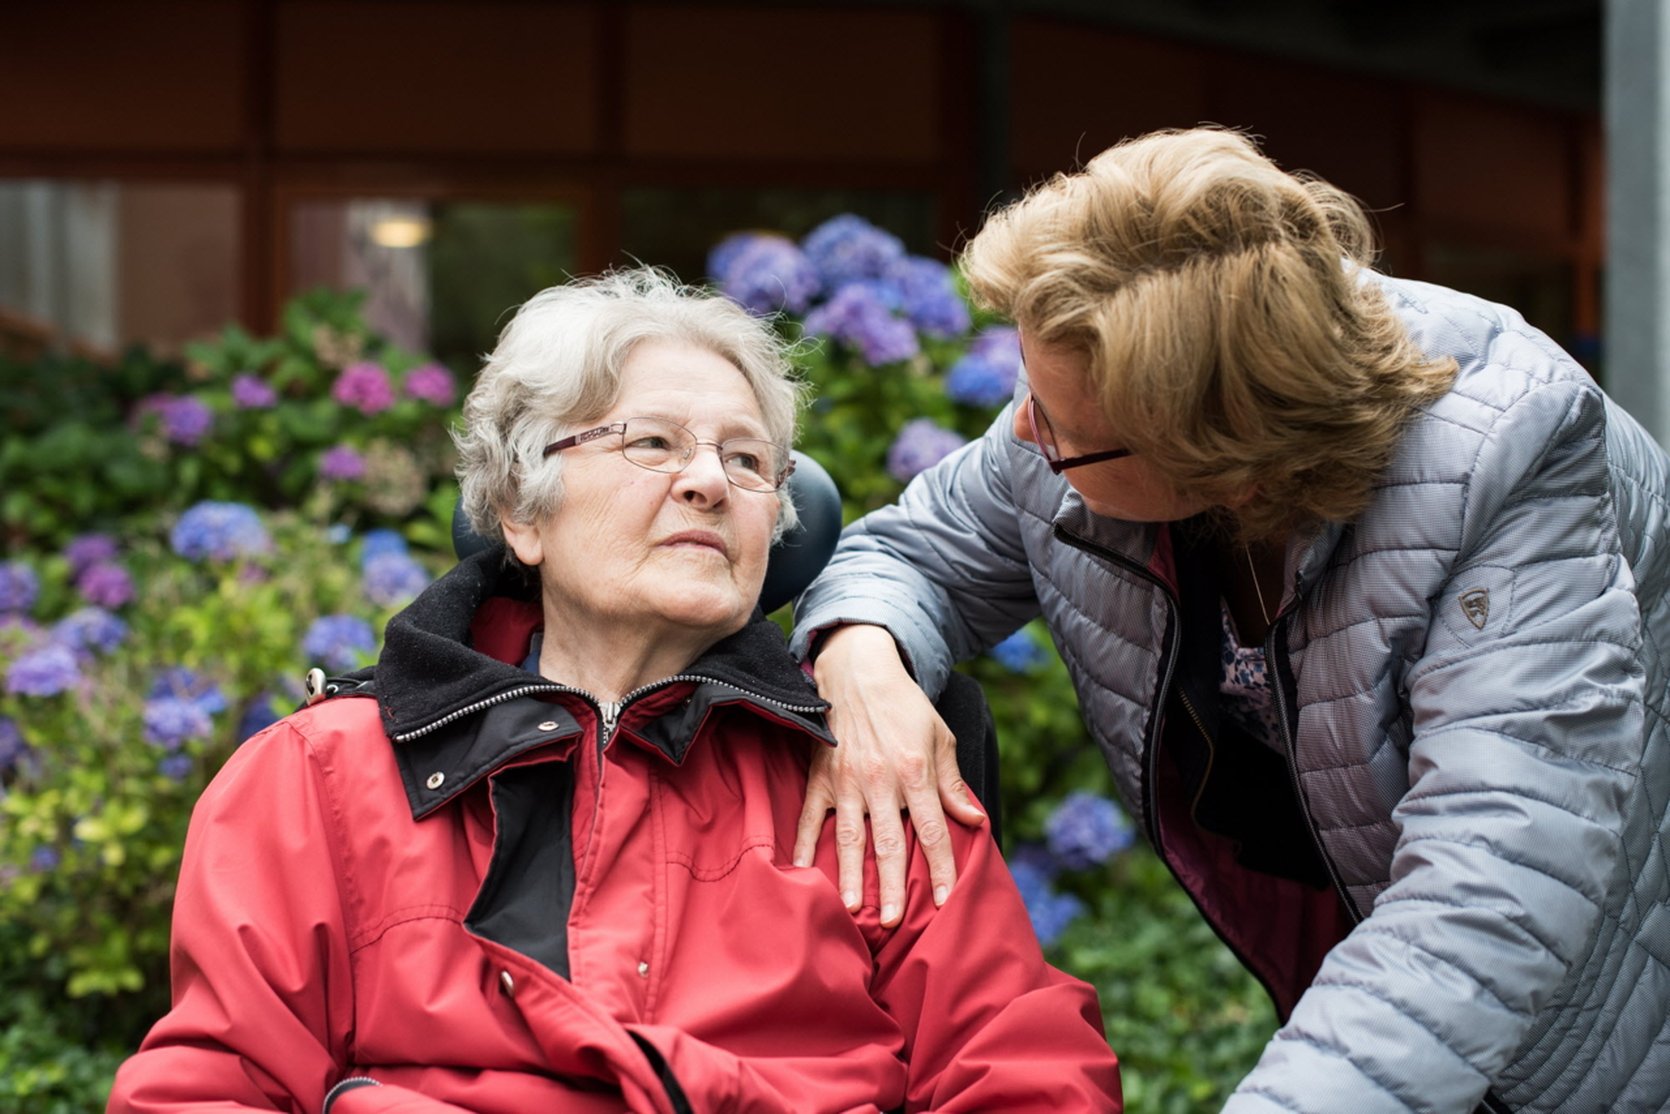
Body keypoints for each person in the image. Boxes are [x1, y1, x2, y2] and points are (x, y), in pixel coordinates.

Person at [789, 128, 1670, 1113]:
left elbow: (1483, 904)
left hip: (1588, 1017)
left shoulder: (1509, 463)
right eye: (1021, 395)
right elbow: (907, 553)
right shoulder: (1083, 409)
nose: (1020, 437)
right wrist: (863, 658)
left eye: (1059, 429)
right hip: (1355, 978)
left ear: (1234, 474)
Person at [108, 269, 1122, 1113]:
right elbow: (212, 1085)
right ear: (519, 508)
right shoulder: (316, 778)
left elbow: (1028, 1073)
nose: (707, 483)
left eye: (746, 459)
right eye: (651, 443)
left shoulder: (863, 767)